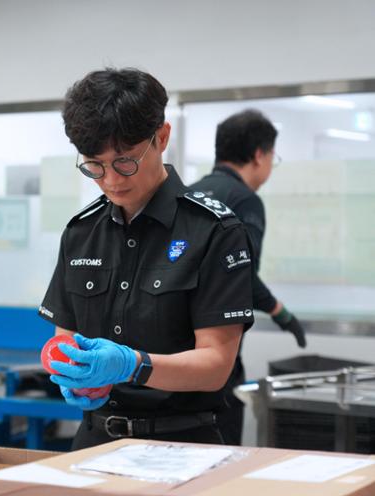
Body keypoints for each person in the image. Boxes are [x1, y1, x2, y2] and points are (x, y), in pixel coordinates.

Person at [38, 68, 254, 450]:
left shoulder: (214, 231)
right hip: (95, 442)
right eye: (94, 165)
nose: (111, 180)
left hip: (183, 444)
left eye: (125, 161)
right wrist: (75, 375)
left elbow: (216, 365)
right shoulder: (80, 234)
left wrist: (133, 365)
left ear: (162, 137)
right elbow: (64, 340)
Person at [190, 109, 306, 445]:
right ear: (259, 154)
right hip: (218, 353)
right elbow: (241, 274)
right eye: (273, 156)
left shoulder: (187, 195)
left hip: (178, 356)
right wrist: (280, 312)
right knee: (219, 453)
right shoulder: (245, 201)